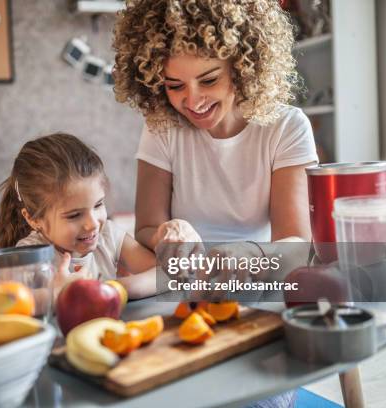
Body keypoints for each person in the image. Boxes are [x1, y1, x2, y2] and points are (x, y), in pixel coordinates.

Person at [113, 1, 318, 406]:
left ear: (243, 67)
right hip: (180, 294)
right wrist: (168, 235)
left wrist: (242, 257)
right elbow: (146, 228)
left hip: (259, 298)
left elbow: (295, 247)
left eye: (208, 80)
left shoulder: (287, 127)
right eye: (174, 86)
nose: (193, 101)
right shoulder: (162, 128)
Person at [0, 133, 158, 301]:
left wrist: (116, 288)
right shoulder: (29, 255)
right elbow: (6, 302)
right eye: (74, 215)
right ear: (34, 220)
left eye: (98, 205)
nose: (92, 224)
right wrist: (58, 293)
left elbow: (170, 273)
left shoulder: (108, 236)